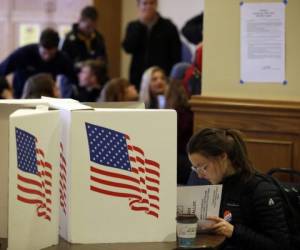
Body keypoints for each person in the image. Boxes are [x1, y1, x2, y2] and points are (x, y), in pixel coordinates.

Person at [187, 128, 291, 250]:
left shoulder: (261, 190)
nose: (199, 175)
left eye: (203, 167)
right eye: (195, 169)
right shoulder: (217, 185)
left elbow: (280, 245)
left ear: (222, 157)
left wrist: (234, 231)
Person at [122, 0, 181, 90]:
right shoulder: (133, 26)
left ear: (156, 5)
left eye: (151, 3)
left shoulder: (169, 27)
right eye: (145, 3)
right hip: (138, 77)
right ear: (139, 5)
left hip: (161, 78)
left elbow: (176, 55)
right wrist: (140, 25)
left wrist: (170, 79)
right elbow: (128, 48)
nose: (148, 6)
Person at [0, 28, 74, 98]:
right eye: (44, 53)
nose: (47, 57)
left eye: (51, 54)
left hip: (48, 100)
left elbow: (75, 78)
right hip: (21, 98)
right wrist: (7, 92)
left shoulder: (62, 58)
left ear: (56, 49)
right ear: (39, 46)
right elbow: (1, 71)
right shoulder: (22, 53)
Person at [60, 6, 107, 98]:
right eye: (88, 27)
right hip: (73, 83)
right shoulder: (69, 39)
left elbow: (104, 59)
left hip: (94, 83)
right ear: (80, 21)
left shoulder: (98, 38)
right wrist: (82, 67)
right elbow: (63, 64)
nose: (90, 30)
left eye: (93, 27)